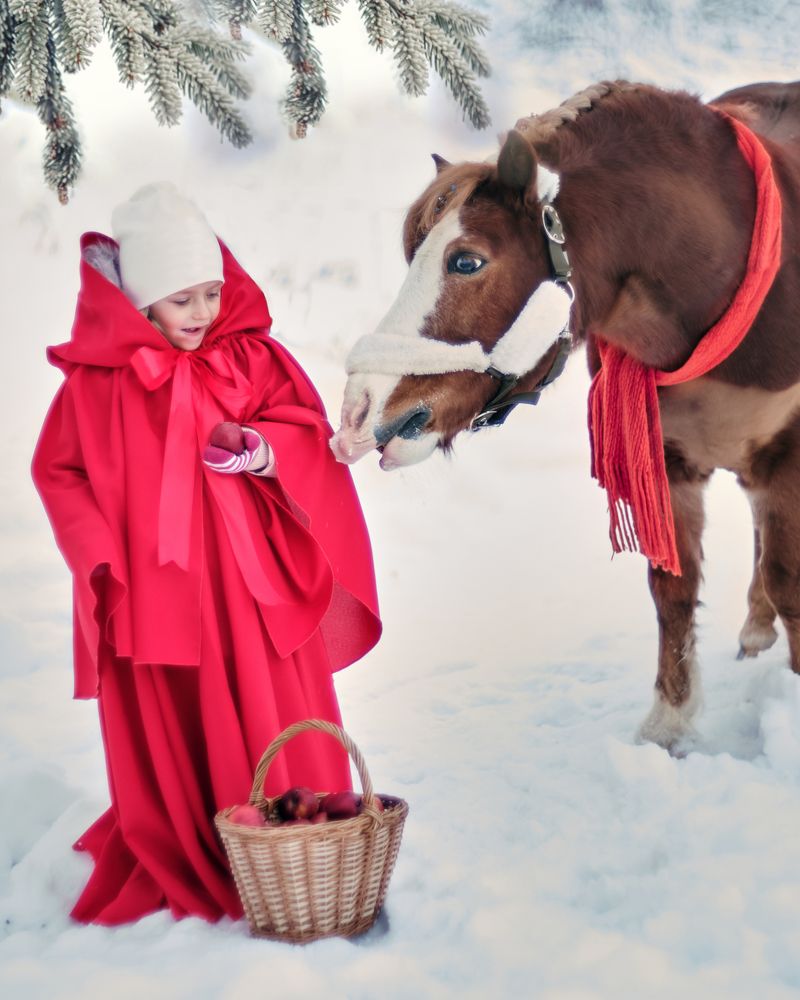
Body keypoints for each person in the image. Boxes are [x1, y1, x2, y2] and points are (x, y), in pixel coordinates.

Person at [32, 183, 381, 926]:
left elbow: (297, 423)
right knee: (178, 712)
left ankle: (292, 842)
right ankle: (193, 837)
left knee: (266, 695)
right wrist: (97, 550)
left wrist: (262, 451)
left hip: (249, 581)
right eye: (180, 299)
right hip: (157, 594)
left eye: (210, 294)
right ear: (140, 303)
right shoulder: (99, 385)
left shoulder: (249, 358)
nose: (200, 313)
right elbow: (57, 471)